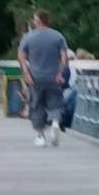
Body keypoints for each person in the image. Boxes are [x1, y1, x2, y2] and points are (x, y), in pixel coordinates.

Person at [17, 10, 68, 148]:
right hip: (53, 78)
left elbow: (21, 57)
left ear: (38, 21)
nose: (33, 21)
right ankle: (55, 123)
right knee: (55, 103)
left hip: (35, 78)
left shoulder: (28, 37)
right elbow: (64, 57)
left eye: (34, 19)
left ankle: (40, 136)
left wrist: (26, 74)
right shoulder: (58, 36)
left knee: (36, 106)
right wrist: (60, 73)